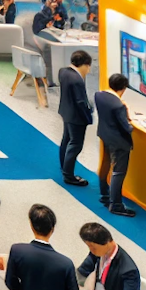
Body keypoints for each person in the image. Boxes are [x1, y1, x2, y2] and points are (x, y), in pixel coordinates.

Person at [96, 72, 136, 217]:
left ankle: (104, 195)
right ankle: (116, 205)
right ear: (123, 88)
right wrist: (128, 115)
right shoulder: (118, 105)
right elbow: (127, 127)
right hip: (119, 142)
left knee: (106, 163)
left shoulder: (99, 95)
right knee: (118, 172)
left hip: (105, 135)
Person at [58, 50, 93, 187]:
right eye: (88, 67)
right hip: (76, 117)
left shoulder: (63, 72)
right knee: (75, 145)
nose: (89, 71)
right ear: (84, 65)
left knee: (66, 140)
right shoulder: (77, 80)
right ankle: (69, 176)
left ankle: (64, 167)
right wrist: (88, 118)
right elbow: (80, 103)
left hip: (65, 112)